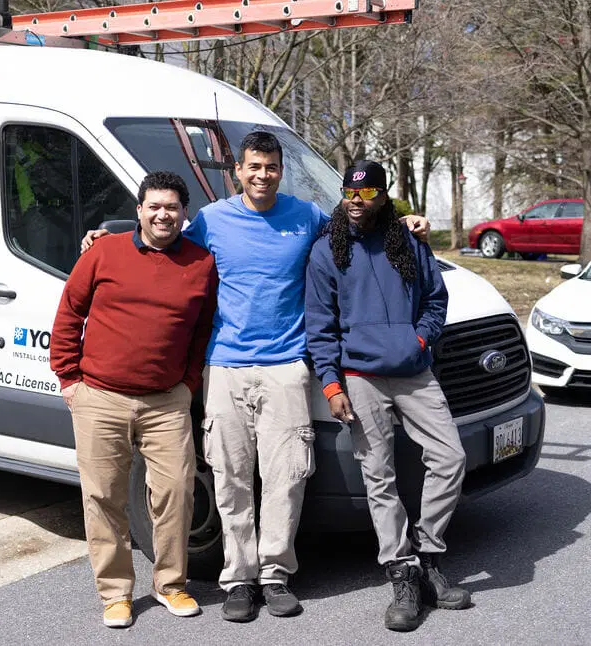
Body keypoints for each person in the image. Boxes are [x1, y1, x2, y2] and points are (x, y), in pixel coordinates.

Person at [81, 132, 430, 622]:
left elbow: (357, 225)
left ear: (279, 171)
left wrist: (405, 221)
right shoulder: (212, 221)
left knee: (286, 477)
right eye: (253, 167)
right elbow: (162, 242)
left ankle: (275, 573)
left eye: (270, 167)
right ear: (238, 172)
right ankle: (239, 579)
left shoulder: (305, 217)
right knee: (230, 479)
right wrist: (106, 236)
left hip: (287, 366)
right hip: (224, 365)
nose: (262, 175)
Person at [305, 160, 471, 632]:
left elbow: (436, 301)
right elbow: (319, 326)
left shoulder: (408, 242)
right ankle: (401, 573)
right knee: (379, 476)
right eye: (349, 193)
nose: (356, 202)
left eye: (367, 193)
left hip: (414, 370)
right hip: (359, 376)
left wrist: (419, 341)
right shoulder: (326, 251)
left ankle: (428, 554)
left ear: (383, 195)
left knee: (450, 457)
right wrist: (332, 384)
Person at [51, 171, 218, 629]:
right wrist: (68, 378)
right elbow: (70, 312)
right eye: (155, 206)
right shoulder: (104, 251)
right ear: (140, 210)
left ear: (185, 215)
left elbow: (202, 330)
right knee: (103, 497)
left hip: (167, 402)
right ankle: (115, 593)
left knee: (176, 493)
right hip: (100, 397)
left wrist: (187, 385)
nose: (163, 214)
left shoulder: (201, 263)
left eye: (172, 207)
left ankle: (170, 584)